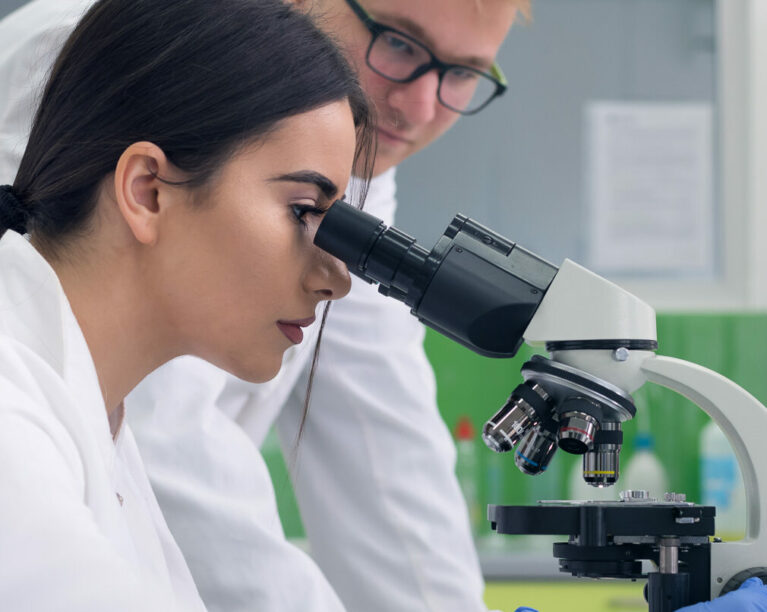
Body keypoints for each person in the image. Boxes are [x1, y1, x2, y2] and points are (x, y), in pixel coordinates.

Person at [3, 2, 764, 612]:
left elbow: (385, 449)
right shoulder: (131, 62)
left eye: (462, 75)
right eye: (399, 43)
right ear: (145, 187)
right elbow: (171, 449)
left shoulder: (106, 437)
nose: (421, 104)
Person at [0, 0, 374, 609]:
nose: (336, 279)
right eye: (303, 210)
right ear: (146, 190)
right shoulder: (10, 420)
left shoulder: (96, 419)